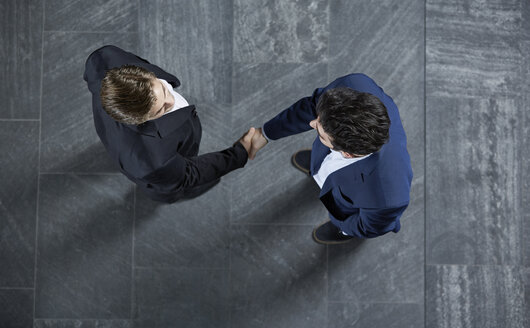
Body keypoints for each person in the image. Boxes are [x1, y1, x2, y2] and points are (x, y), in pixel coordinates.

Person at [249, 74, 413, 244]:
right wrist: (266, 133)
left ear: (348, 154)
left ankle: (340, 230)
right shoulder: (352, 86)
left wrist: (343, 226)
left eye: (321, 135)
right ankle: (318, 168)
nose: (312, 123)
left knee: (343, 220)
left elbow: (368, 226)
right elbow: (313, 105)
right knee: (318, 163)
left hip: (346, 206)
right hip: (332, 156)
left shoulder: (387, 197)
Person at [83, 45, 255, 203]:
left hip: (123, 142)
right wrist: (241, 152)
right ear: (140, 121)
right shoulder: (154, 162)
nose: (171, 101)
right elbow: (189, 175)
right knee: (172, 189)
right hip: (158, 173)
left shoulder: (104, 59)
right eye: (161, 110)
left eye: (164, 89)